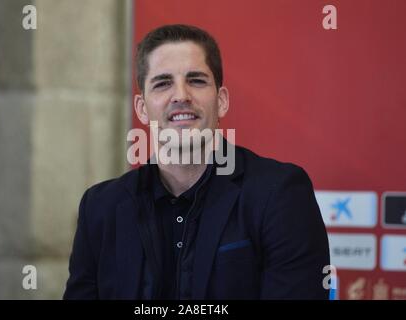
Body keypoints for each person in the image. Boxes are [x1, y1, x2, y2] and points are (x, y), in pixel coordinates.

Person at [63, 24, 330, 300]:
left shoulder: (279, 194)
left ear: (222, 101)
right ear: (142, 109)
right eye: (163, 83)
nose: (181, 95)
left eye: (196, 80)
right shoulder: (99, 208)